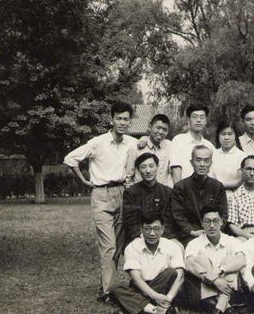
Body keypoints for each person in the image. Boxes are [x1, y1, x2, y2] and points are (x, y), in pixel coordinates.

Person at [64, 101, 137, 303]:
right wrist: (84, 180)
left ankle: (106, 286)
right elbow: (70, 159)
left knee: (118, 245)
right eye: (119, 118)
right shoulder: (98, 143)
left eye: (126, 119)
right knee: (108, 245)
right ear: (111, 120)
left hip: (122, 193)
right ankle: (109, 292)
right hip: (101, 194)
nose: (122, 123)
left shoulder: (131, 143)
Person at [109, 212, 184, 314]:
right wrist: (155, 296)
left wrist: (168, 299)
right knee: (115, 288)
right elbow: (136, 279)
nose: (152, 233)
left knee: (172, 272)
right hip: (141, 288)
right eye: (147, 229)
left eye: (156, 229)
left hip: (163, 287)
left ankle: (136, 308)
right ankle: (159, 311)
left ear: (162, 229)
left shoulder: (172, 246)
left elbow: (180, 277)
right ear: (141, 229)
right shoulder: (132, 247)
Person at [184, 205, 247, 314]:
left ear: (221, 222)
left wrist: (220, 270)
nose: (212, 225)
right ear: (202, 223)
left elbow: (242, 261)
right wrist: (215, 280)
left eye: (215, 221)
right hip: (203, 290)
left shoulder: (232, 241)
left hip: (230, 289)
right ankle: (227, 308)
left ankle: (218, 309)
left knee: (231, 259)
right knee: (201, 259)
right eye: (207, 221)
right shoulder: (195, 243)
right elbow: (189, 264)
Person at [171, 145, 228, 246]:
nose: (202, 164)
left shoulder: (217, 186)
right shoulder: (180, 187)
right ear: (191, 162)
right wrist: (191, 231)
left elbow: (223, 214)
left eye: (206, 161)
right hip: (190, 235)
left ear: (211, 163)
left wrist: (213, 231)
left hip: (214, 233)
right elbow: (178, 215)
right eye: (198, 160)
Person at [122, 152, 178, 250]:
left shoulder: (167, 192)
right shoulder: (131, 193)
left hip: (163, 235)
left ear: (157, 167)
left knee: (178, 247)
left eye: (151, 166)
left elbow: (169, 220)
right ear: (138, 170)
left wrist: (160, 236)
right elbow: (130, 221)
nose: (148, 171)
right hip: (139, 236)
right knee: (135, 248)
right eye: (143, 167)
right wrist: (140, 235)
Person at [169, 103, 216, 184]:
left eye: (202, 117)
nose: (198, 120)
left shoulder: (209, 146)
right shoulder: (178, 140)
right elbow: (176, 169)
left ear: (205, 121)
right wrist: (179, 190)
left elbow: (212, 172)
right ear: (188, 120)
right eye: (195, 117)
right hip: (183, 189)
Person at [209, 120, 245, 201]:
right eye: (223, 134)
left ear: (235, 136)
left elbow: (240, 181)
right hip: (213, 196)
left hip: (235, 197)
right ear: (218, 135)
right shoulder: (212, 154)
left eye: (230, 134)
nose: (226, 138)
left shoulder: (241, 156)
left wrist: (219, 185)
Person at [135, 113, 173, 188]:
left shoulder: (170, 146)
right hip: (140, 192)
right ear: (150, 127)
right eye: (158, 128)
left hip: (161, 192)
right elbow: (129, 176)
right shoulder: (136, 147)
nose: (161, 132)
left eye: (165, 129)